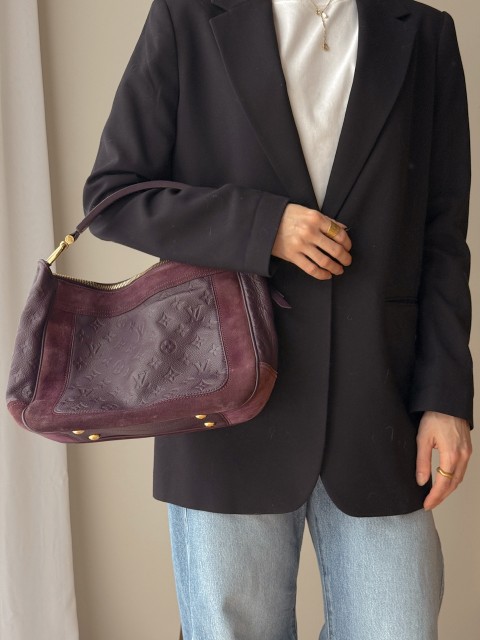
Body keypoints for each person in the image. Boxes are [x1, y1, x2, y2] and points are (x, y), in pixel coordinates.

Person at [83, 0, 473, 637]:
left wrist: (446, 397)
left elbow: (443, 235)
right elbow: (113, 196)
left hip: (379, 403)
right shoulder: (188, 16)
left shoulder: (424, 33)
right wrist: (262, 226)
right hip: (224, 400)